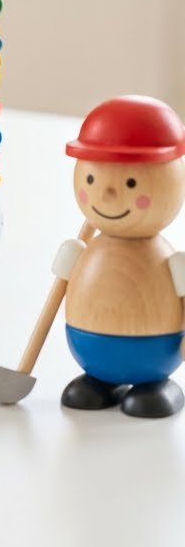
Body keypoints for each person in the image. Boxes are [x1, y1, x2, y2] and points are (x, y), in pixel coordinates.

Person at [54, 95, 185, 418]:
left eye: (129, 182)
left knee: (147, 402)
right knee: (85, 393)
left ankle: (153, 386)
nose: (108, 194)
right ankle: (99, 381)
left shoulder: (171, 260)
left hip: (157, 352)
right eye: (91, 179)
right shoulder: (83, 250)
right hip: (90, 351)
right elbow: (58, 293)